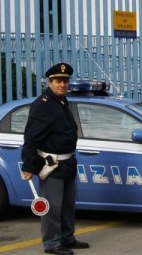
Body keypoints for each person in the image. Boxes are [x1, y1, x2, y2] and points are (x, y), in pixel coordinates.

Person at [21, 63, 90, 255]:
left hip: (67, 163)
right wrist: (28, 165)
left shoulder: (61, 102)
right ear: (50, 82)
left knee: (67, 205)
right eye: (58, 81)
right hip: (51, 164)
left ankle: (67, 237)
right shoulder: (42, 105)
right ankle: (52, 243)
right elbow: (31, 138)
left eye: (65, 81)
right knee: (53, 207)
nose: (62, 84)